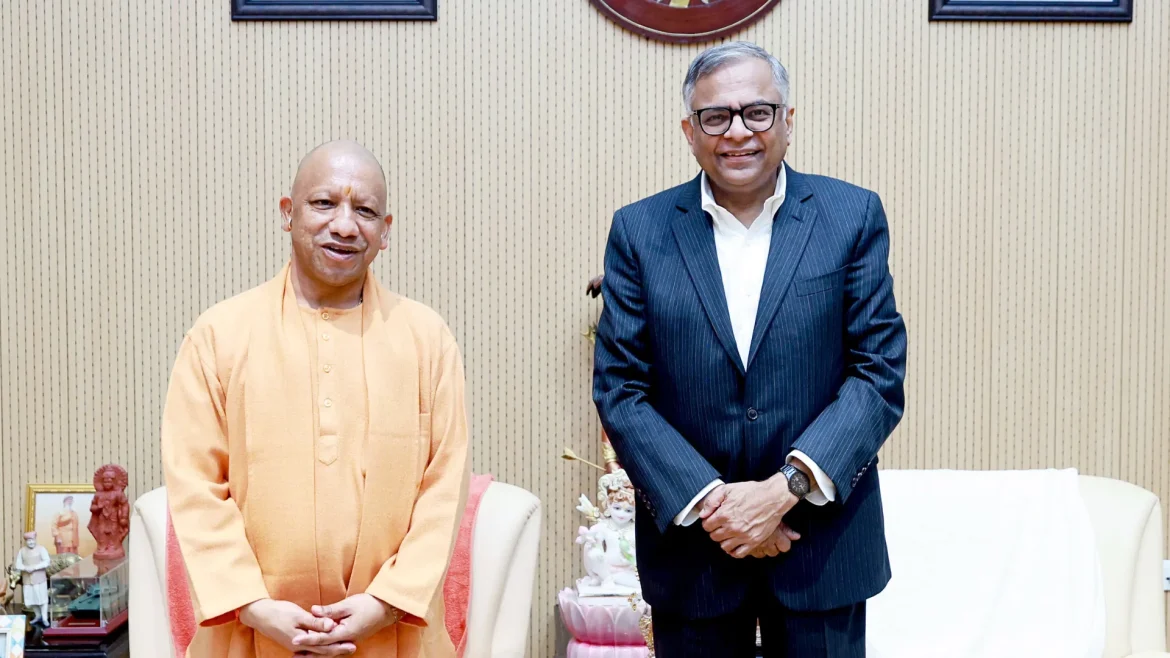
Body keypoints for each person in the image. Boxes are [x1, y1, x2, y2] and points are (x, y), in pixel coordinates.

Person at [592, 42, 907, 656]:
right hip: (694, 553)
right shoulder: (639, 230)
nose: (738, 132)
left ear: (788, 120)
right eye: (716, 116)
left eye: (757, 112)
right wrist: (718, 504)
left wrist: (784, 489)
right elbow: (621, 388)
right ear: (690, 131)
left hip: (821, 548)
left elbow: (878, 371)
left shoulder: (851, 216)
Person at [162, 140, 470, 658]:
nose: (345, 226)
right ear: (288, 213)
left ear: (386, 231)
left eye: (364, 211)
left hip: (392, 635)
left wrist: (387, 603)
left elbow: (445, 486)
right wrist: (253, 606)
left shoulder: (426, 339)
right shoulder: (219, 336)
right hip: (250, 635)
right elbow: (195, 483)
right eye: (324, 203)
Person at [14, 531, 50, 625]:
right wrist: (25, 568)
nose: (31, 542)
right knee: (31, 600)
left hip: (39, 579)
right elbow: (18, 564)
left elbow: (47, 561)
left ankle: (45, 618)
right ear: (26, 541)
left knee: (42, 599)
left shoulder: (41, 549)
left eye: (32, 540)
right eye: (28, 541)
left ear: (35, 539)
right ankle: (38, 616)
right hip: (27, 579)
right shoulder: (22, 551)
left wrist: (35, 567)